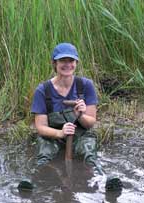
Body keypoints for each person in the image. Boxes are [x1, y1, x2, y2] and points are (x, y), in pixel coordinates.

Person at [31, 42, 101, 171]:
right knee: (44, 156)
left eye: (71, 60)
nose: (68, 65)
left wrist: (79, 116)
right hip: (53, 136)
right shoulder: (43, 90)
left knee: (89, 154)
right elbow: (40, 127)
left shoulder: (86, 85)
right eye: (63, 60)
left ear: (76, 63)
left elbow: (90, 123)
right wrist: (60, 133)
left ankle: (102, 175)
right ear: (54, 63)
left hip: (80, 135)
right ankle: (36, 177)